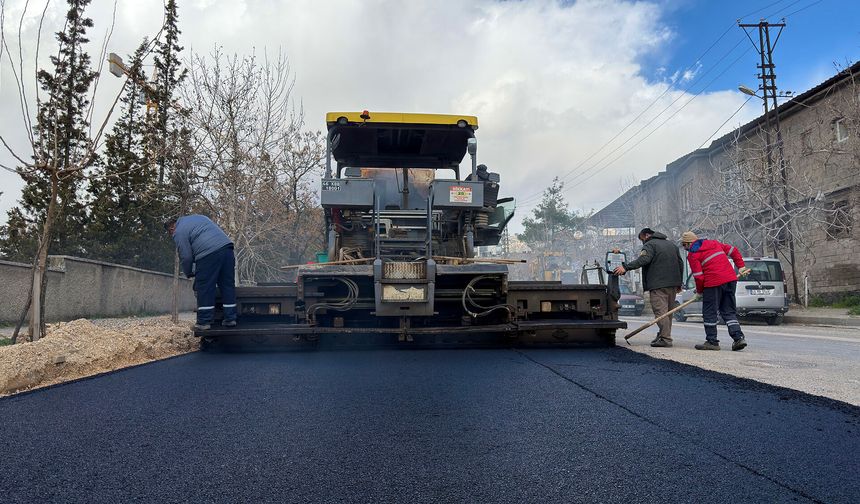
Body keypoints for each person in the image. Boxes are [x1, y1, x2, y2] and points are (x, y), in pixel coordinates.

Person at [613, 228, 684, 347]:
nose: (643, 242)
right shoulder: (672, 245)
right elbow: (680, 263)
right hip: (672, 284)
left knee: (660, 312)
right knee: (668, 313)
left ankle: (665, 339)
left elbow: (644, 259)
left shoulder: (650, 245)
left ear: (646, 235)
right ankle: (662, 335)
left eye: (642, 239)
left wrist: (626, 267)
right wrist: (679, 283)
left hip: (658, 284)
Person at [165, 215, 237, 331]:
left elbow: (186, 257)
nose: (172, 236)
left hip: (208, 254)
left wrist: (188, 272)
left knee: (205, 287)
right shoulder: (199, 218)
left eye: (170, 234)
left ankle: (204, 321)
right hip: (227, 249)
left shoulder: (179, 231)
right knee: (227, 285)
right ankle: (230, 318)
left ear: (171, 229)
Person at [681, 231, 750, 351]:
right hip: (730, 280)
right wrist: (741, 266)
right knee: (728, 311)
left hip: (713, 284)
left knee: (709, 312)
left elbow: (699, 277)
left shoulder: (693, 254)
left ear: (688, 243)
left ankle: (712, 342)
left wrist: (699, 292)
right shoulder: (714, 243)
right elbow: (733, 250)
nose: (684, 248)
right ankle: (738, 338)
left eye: (684, 245)